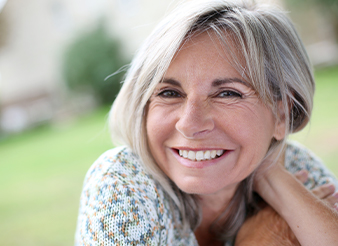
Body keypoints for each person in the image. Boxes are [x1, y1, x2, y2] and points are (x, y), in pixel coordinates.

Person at [75, 0, 338, 245]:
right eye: (170, 93)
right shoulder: (124, 184)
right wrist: (259, 238)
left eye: (227, 93)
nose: (189, 124)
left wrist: (272, 180)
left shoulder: (296, 167)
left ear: (281, 114)